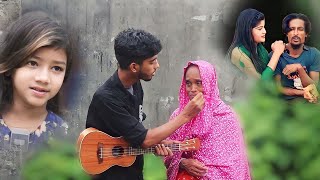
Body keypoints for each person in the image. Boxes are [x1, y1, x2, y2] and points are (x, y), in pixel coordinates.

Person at [86, 28, 204, 180]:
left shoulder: (135, 85)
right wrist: (186, 115)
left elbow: (134, 133)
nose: (157, 65)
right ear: (134, 67)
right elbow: (145, 139)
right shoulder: (106, 98)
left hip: (133, 172)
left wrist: (158, 143)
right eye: (152, 61)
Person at [164, 60, 251, 180]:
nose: (192, 89)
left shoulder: (226, 116)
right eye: (188, 83)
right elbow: (167, 155)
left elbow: (234, 166)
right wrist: (182, 162)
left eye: (199, 83)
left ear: (209, 83)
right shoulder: (178, 116)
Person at [0, 12, 71, 151]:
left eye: (56, 68)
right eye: (32, 63)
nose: (44, 78)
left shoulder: (62, 134)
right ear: (10, 66)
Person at [273, 13, 320, 102]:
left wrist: (299, 68)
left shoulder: (314, 54)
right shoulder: (276, 54)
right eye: (291, 29)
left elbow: (314, 88)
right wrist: (302, 93)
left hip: (307, 107)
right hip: (282, 106)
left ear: (306, 33)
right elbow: (277, 88)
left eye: (300, 29)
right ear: (286, 33)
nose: (295, 33)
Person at [228, 8, 285, 80]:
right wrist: (276, 53)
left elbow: (269, 72)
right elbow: (260, 83)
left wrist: (276, 51)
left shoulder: (260, 48)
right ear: (247, 31)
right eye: (259, 28)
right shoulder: (237, 52)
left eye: (264, 27)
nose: (264, 31)